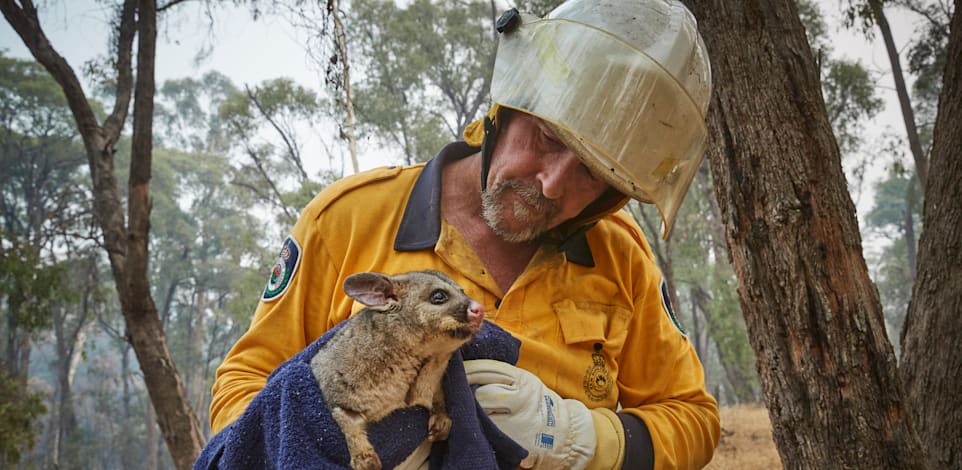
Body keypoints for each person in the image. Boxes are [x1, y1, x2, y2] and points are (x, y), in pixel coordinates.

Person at [209, 0, 720, 468]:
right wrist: (321, 447)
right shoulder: (347, 220)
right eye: (546, 138)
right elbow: (245, 384)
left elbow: (692, 419)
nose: (551, 183)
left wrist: (579, 439)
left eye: (592, 174)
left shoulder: (621, 257)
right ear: (511, 103)